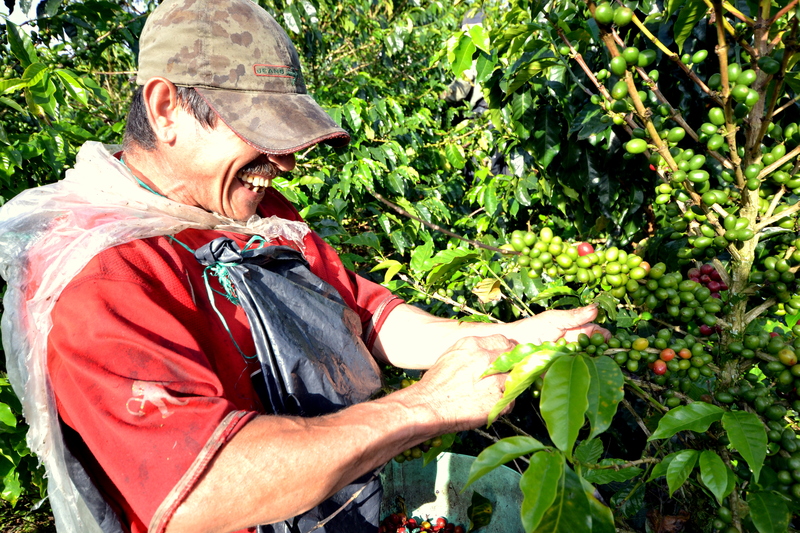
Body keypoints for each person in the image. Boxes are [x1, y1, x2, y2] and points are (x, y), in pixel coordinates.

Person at [0, 1, 606, 532]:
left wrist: (506, 337)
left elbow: (361, 315)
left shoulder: (244, 208)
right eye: (261, 132)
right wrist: (427, 406)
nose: (283, 164)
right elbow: (201, 487)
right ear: (166, 110)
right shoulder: (98, 277)